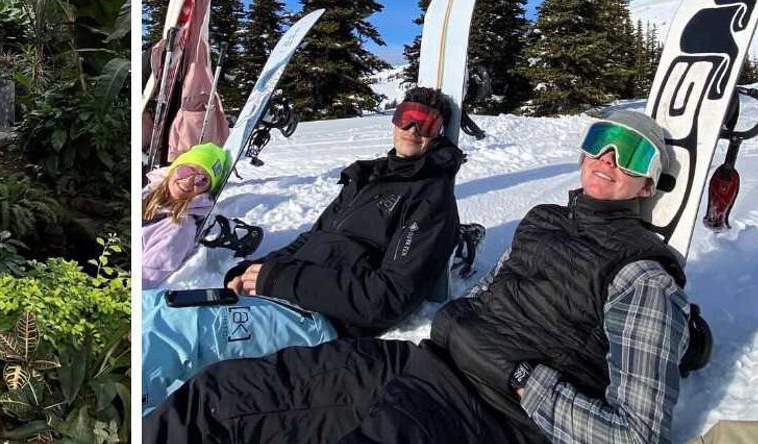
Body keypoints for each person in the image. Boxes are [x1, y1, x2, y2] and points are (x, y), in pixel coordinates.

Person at [146, 108, 691, 444]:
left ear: (650, 184)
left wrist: (523, 378)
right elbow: (487, 297)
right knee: (218, 397)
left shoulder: (644, 276)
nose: (609, 158)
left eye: (633, 153)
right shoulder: (542, 221)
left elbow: (634, 434)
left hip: (492, 415)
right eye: (600, 141)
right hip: (422, 364)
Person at [142, 86, 463, 413]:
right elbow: (308, 242)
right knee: (148, 307)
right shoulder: (367, 178)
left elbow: (388, 297)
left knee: (168, 331)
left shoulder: (430, 200)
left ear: (437, 134)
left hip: (319, 320)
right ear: (394, 121)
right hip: (281, 299)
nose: (412, 129)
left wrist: (279, 279)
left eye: (426, 124)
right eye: (406, 118)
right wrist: (252, 269)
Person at [142, 142, 230, 289]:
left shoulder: (178, 226)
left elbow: (147, 277)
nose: (189, 181)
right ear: (174, 168)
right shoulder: (149, 194)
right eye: (186, 170)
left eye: (201, 180)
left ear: (206, 191)